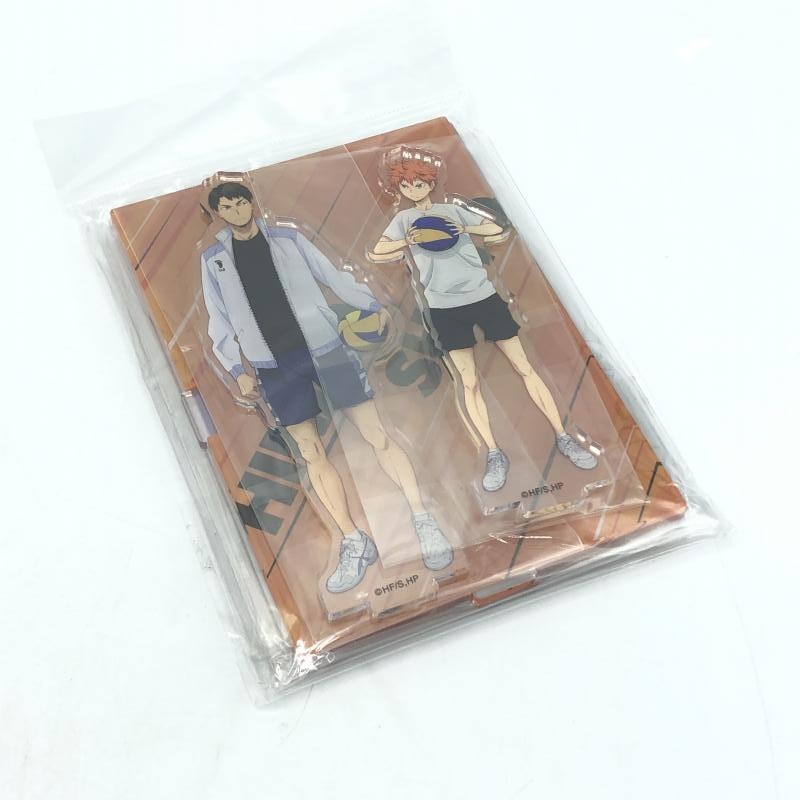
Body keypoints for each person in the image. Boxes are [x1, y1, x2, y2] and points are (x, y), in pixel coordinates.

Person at [200, 182, 453, 592]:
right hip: (273, 366)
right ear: (219, 213)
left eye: (241, 202)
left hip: (326, 347)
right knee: (310, 453)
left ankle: (423, 519)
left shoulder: (287, 239)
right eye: (227, 206)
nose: (236, 210)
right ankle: (353, 540)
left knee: (377, 434)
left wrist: (371, 303)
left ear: (252, 203)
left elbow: (331, 274)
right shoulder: (214, 260)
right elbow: (219, 318)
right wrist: (235, 368)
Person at [369, 151, 597, 492]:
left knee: (525, 367)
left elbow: (495, 228)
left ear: (430, 183)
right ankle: (493, 452)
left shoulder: (452, 210)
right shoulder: (404, 220)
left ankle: (564, 436)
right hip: (444, 308)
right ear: (399, 189)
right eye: (406, 185)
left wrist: (466, 227)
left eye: (418, 183)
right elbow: (377, 252)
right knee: (469, 382)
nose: (413, 189)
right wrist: (407, 241)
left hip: (484, 296)